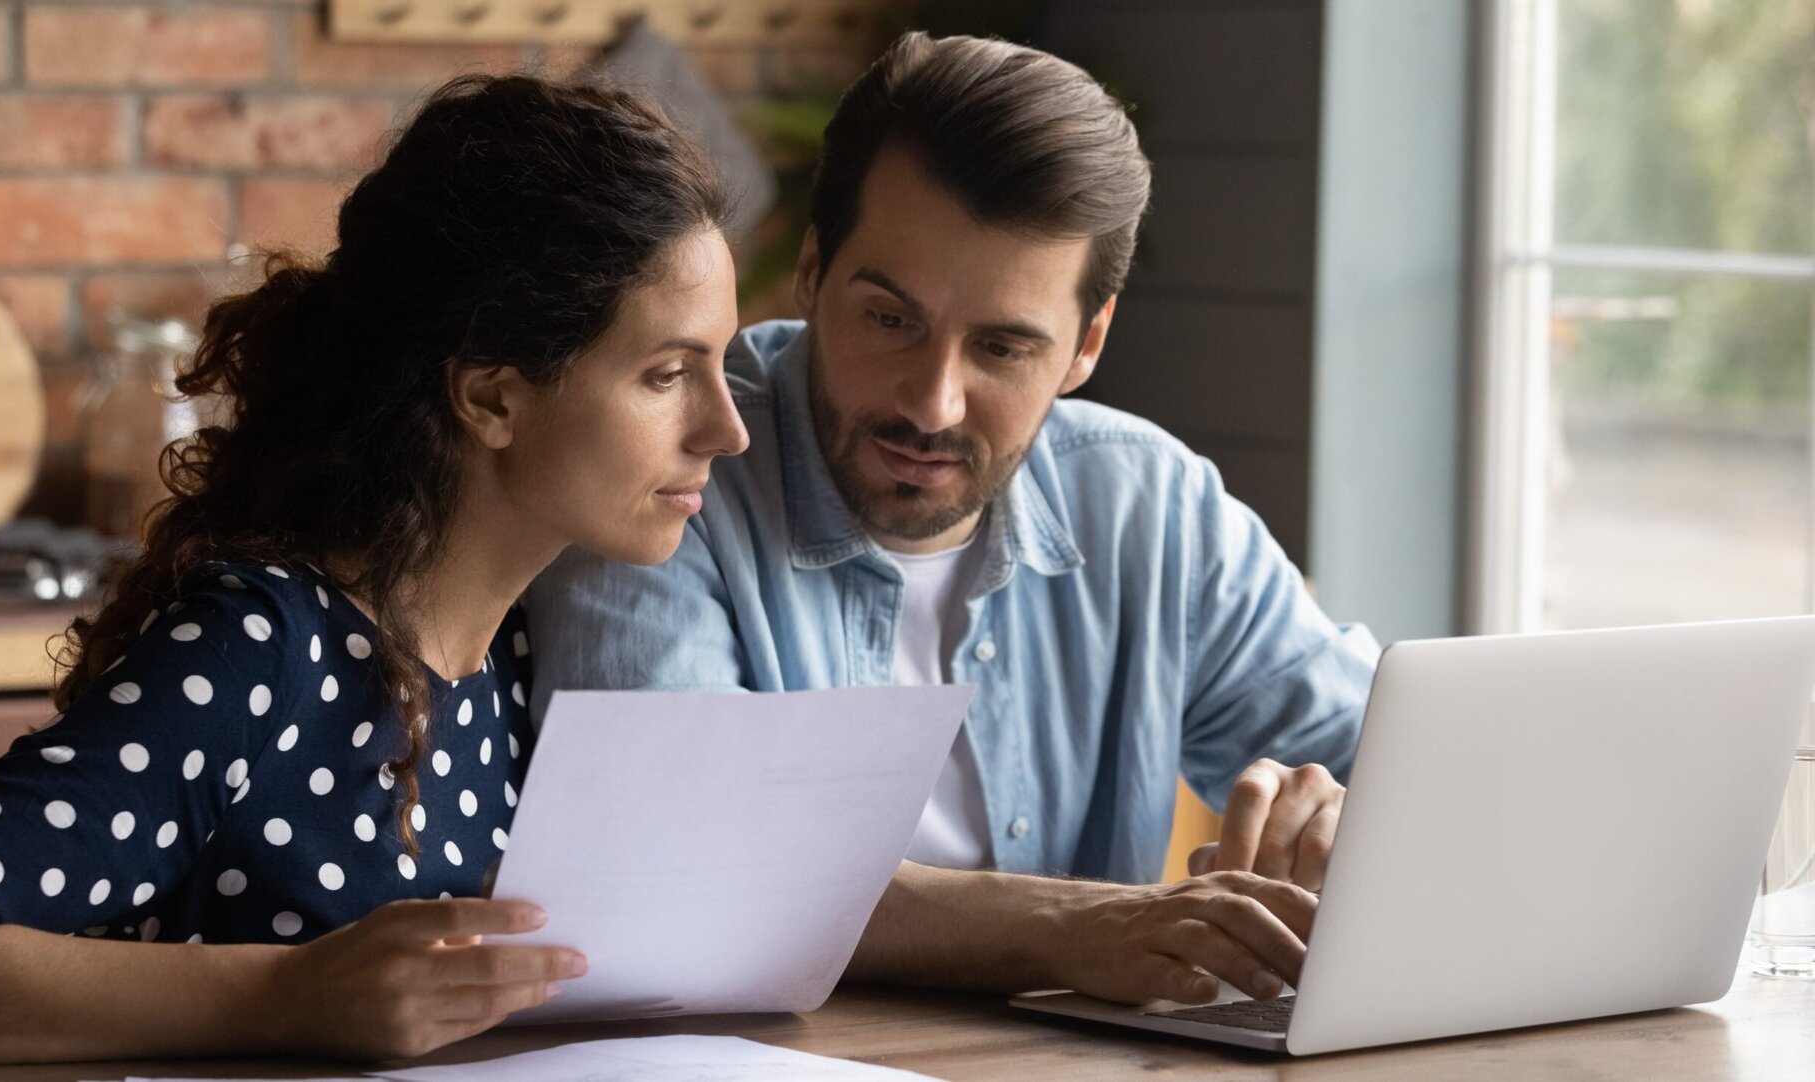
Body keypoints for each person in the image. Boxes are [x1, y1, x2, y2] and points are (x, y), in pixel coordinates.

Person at [0, 73, 749, 1064]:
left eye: (721, 366)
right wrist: (286, 989)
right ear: (493, 398)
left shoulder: (525, 647)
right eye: (667, 374)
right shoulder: (260, 653)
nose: (724, 430)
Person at [524, 32, 1380, 1008]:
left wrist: (1349, 816)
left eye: (1004, 348)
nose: (932, 402)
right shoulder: (671, 476)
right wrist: (1076, 930)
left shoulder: (1153, 506)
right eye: (890, 319)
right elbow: (683, 865)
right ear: (812, 270)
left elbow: (1400, 764)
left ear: (1085, 346)